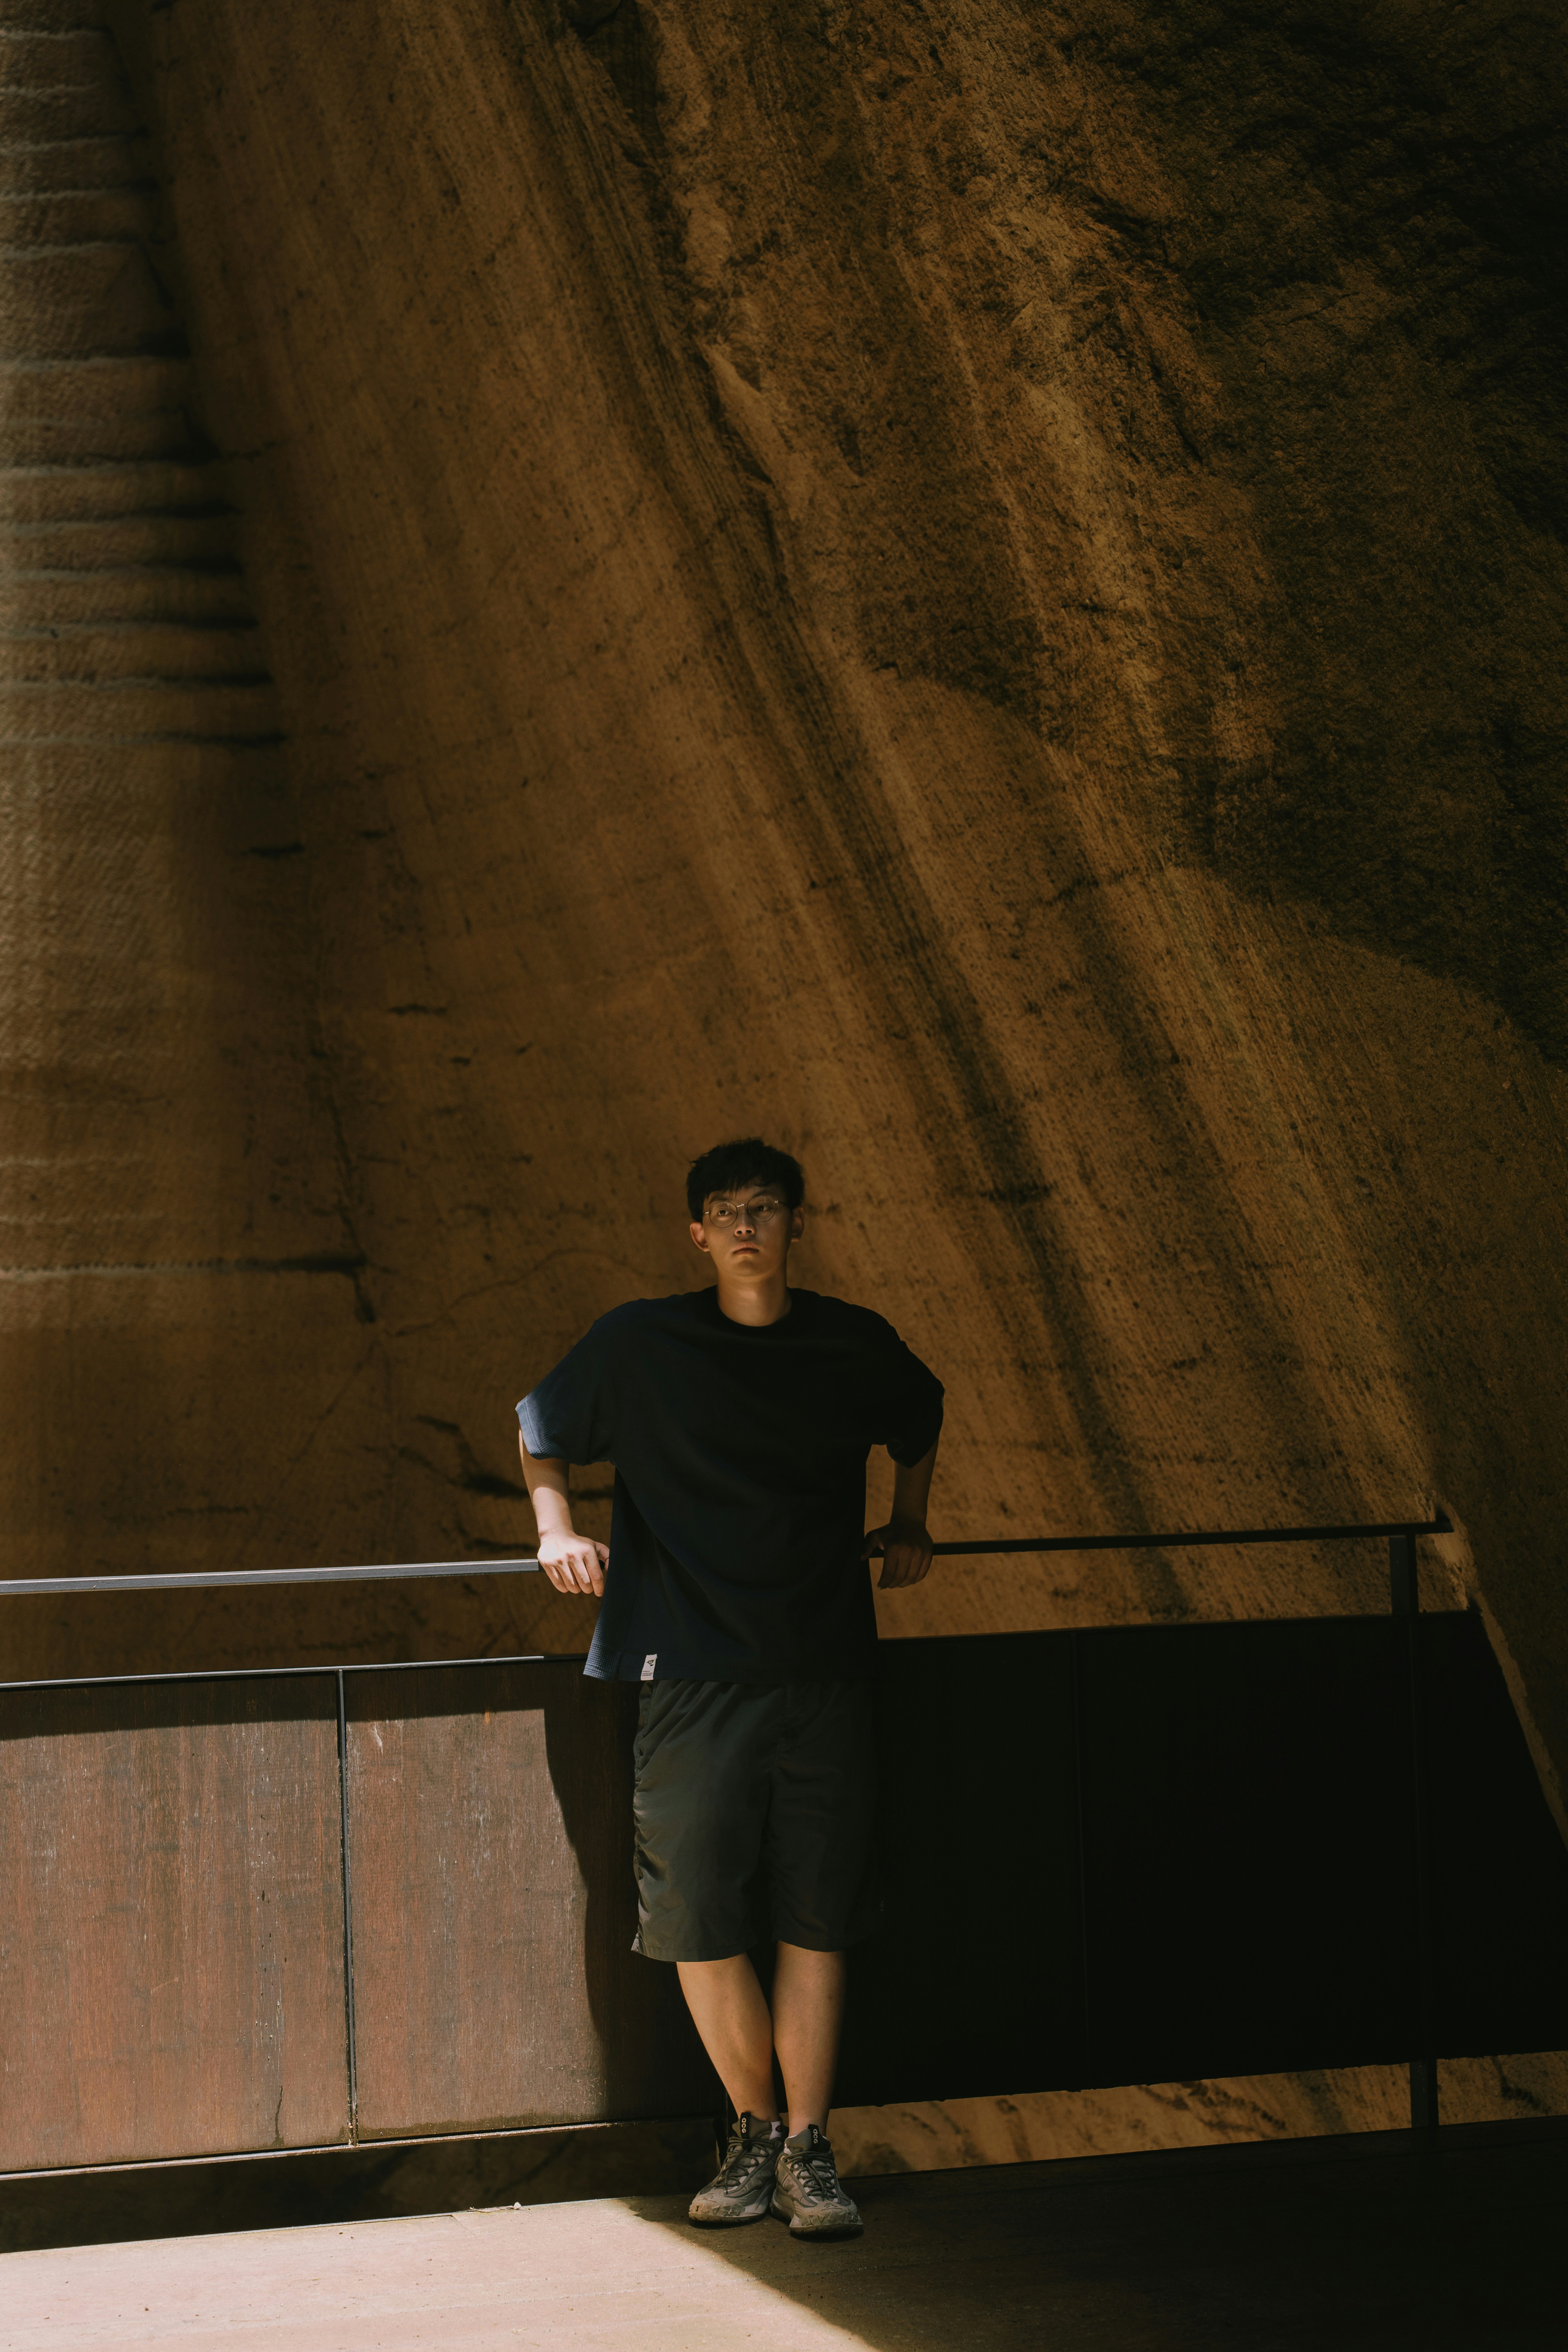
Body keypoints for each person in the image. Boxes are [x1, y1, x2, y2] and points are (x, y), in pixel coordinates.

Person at [516, 1138, 943, 2239]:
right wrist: (555, 1530)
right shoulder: (641, 1339)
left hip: (825, 1666)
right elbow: (543, 1428)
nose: (747, 1225)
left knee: (819, 1915)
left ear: (797, 1224)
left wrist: (911, 1520)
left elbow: (920, 1413)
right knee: (698, 1918)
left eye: (766, 1206)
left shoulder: (851, 1343)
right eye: (725, 1210)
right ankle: (753, 2132)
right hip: (689, 1666)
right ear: (697, 1234)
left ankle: (808, 2149)